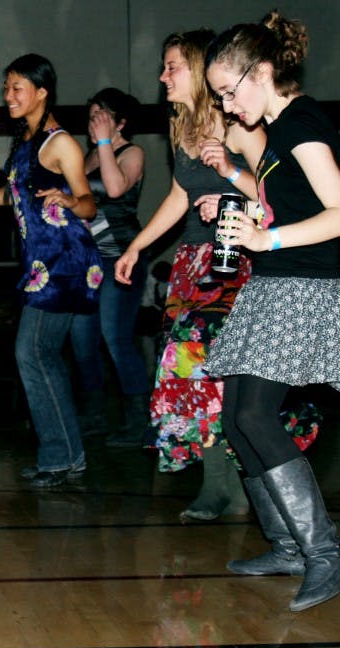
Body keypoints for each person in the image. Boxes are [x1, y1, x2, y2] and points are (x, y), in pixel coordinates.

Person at [203, 11, 340, 612]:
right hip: (275, 284)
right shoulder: (280, 133)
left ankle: (324, 554)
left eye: (231, 92)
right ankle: (287, 544)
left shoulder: (303, 122)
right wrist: (254, 217)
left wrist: (269, 239)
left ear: (263, 73)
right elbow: (293, 210)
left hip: (304, 288)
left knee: (256, 416)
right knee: (238, 418)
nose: (229, 109)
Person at [114, 30, 265, 521]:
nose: (163, 77)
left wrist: (234, 196)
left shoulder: (238, 125)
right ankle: (218, 484)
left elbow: (277, 194)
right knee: (189, 373)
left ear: (200, 69)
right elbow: (179, 198)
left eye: (172, 66)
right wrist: (136, 246)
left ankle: (236, 487)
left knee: (221, 375)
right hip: (193, 265)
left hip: (237, 262)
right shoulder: (184, 129)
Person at [0, 54, 102, 488]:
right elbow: (21, 197)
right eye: (6, 88)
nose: (9, 96)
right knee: (40, 355)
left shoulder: (61, 143)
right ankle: (65, 455)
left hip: (65, 261)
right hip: (42, 263)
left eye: (17, 88)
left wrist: (68, 201)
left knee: (32, 352)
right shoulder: (25, 140)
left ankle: (62, 456)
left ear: (42, 92)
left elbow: (88, 202)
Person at [68, 88, 151, 447]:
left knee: (115, 338)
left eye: (101, 116)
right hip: (87, 262)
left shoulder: (132, 152)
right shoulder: (86, 155)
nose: (93, 123)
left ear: (120, 122)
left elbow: (115, 189)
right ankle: (96, 416)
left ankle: (139, 422)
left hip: (121, 258)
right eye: (90, 116)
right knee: (82, 342)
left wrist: (104, 141)